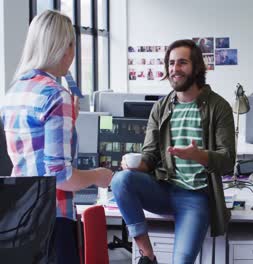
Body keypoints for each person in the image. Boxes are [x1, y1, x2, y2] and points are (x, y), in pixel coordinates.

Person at [0, 10, 113, 264]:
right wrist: (99, 176)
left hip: (18, 218)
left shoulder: (14, 92)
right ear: (66, 48)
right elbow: (61, 177)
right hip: (52, 218)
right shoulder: (55, 95)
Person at [111, 39, 235, 264]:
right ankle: (147, 256)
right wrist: (137, 165)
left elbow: (227, 161)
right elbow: (150, 156)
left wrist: (200, 156)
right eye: (171, 63)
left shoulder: (219, 107)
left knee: (182, 260)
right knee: (121, 180)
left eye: (182, 63)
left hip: (196, 196)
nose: (174, 69)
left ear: (197, 67)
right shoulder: (161, 107)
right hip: (164, 188)